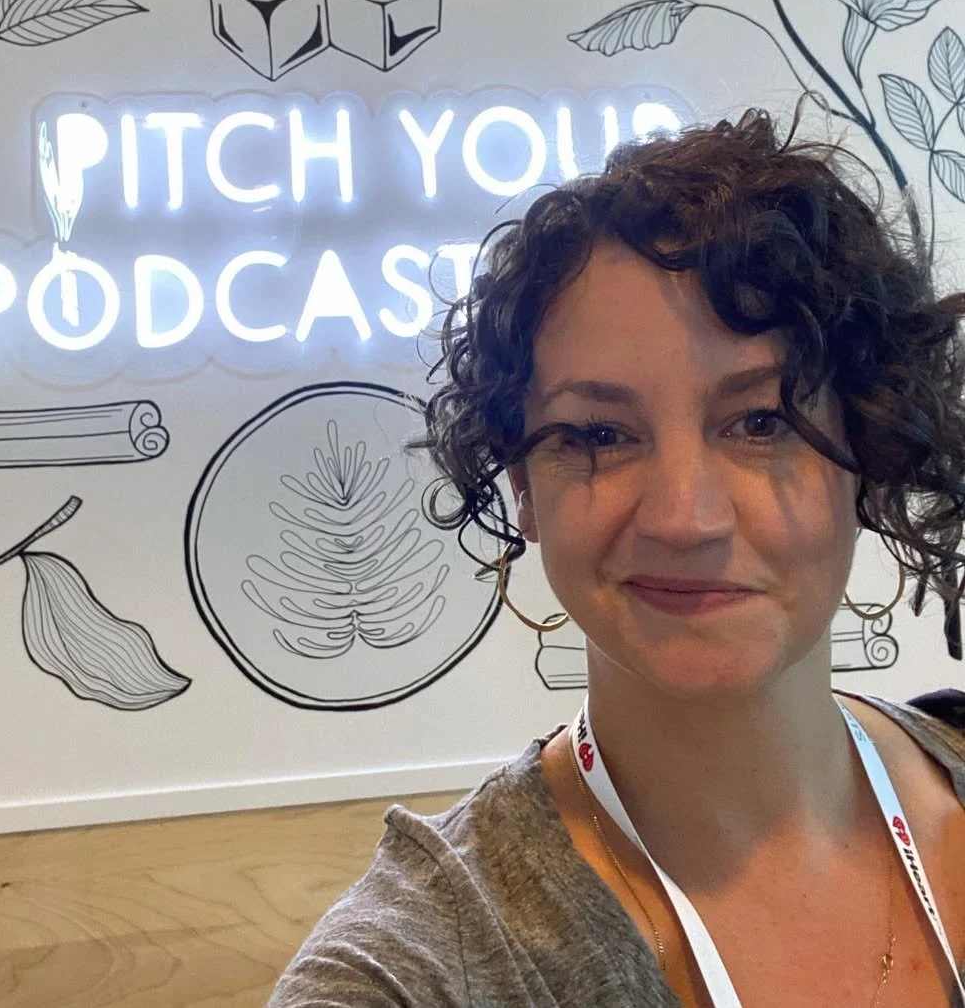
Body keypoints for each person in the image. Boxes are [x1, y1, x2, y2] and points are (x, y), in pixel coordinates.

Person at [267, 103, 965, 1007]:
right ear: (522, 485)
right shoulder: (419, 968)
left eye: (762, 421)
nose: (685, 516)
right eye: (597, 433)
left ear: (868, 450)